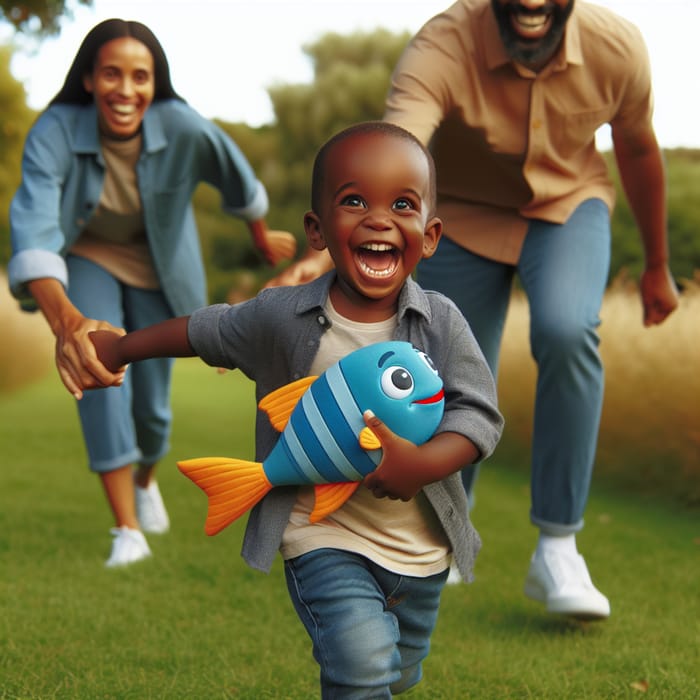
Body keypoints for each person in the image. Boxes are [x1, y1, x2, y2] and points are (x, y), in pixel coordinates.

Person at [267, 0, 679, 619]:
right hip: (462, 218)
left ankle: (558, 546)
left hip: (568, 208)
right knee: (441, 367)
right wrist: (331, 255)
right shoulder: (444, 43)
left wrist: (655, 264)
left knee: (569, 330)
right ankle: (444, 528)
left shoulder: (617, 47)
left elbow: (639, 150)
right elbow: (396, 147)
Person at [87, 121, 504, 696]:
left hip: (420, 549)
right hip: (321, 534)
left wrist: (423, 465)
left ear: (429, 235)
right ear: (317, 228)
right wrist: (123, 347)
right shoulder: (281, 315)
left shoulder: (442, 321)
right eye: (353, 200)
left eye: (402, 204)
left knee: (398, 670)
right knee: (360, 665)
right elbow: (204, 329)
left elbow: (479, 414)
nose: (379, 218)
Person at [7, 19, 296, 568]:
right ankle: (127, 529)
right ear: (89, 79)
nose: (126, 89)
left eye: (140, 76)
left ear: (155, 83)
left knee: (153, 410)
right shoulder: (56, 131)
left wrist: (259, 234)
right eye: (111, 73)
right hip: (89, 256)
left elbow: (233, 171)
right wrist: (67, 321)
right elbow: (35, 224)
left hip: (163, 271)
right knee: (100, 372)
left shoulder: (181, 125)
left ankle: (146, 478)